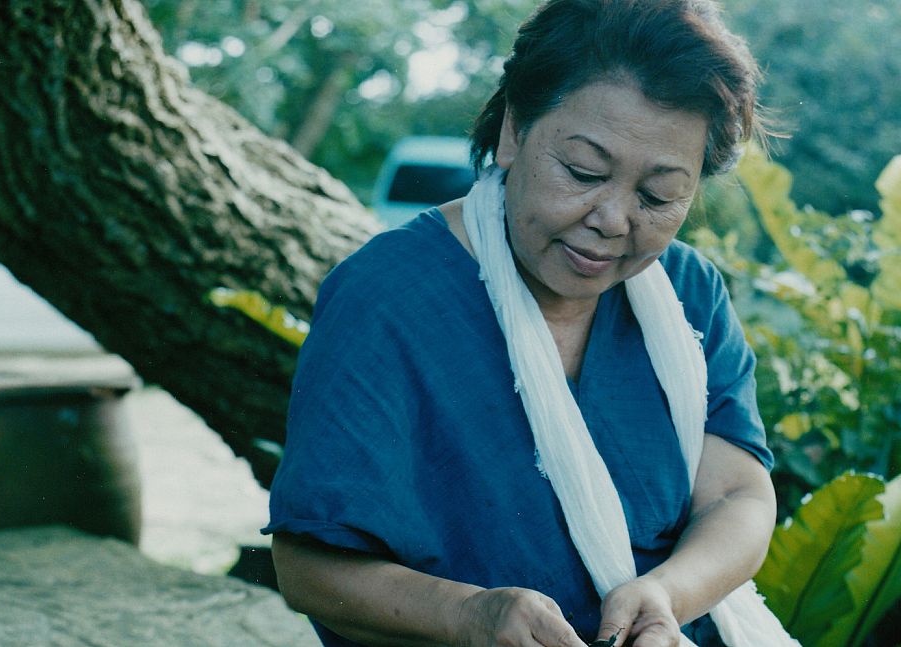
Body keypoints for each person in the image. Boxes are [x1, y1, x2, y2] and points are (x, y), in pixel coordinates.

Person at [265, 1, 783, 645]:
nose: (612, 220)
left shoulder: (688, 295)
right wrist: (470, 616)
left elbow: (738, 497)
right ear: (514, 129)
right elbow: (308, 568)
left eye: (657, 195)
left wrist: (666, 596)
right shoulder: (388, 299)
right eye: (584, 172)